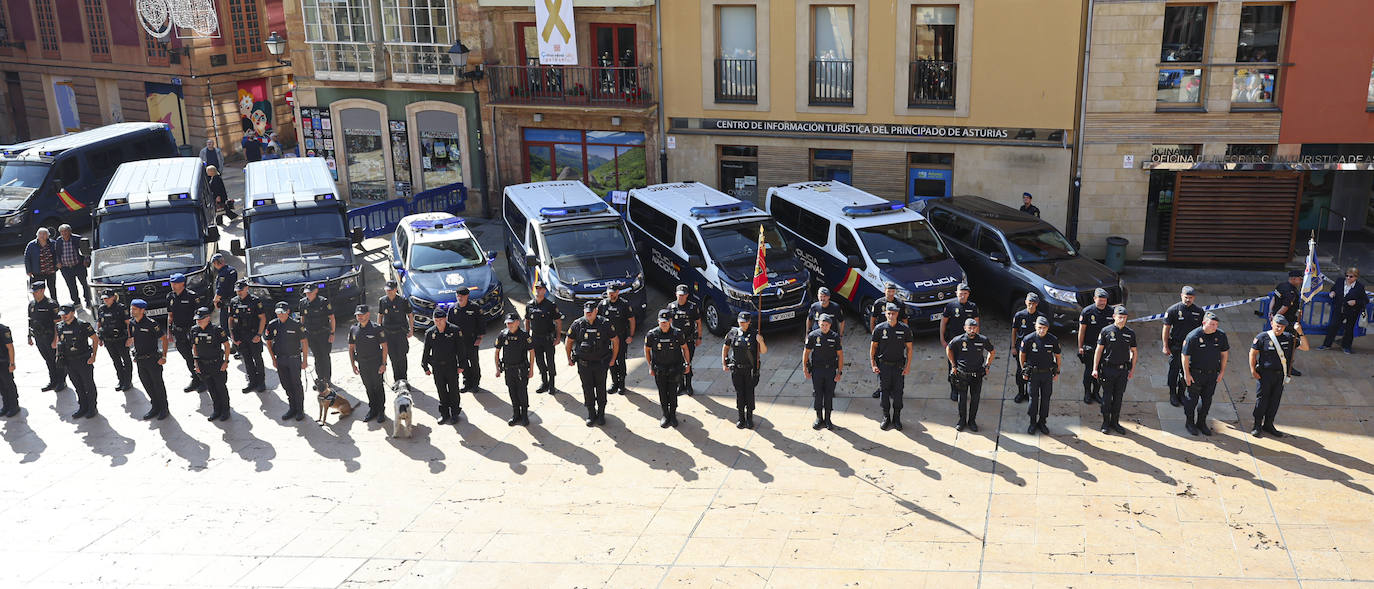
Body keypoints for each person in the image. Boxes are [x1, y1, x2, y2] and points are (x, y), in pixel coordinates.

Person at [1250, 314, 1308, 438]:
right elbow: (1253, 353)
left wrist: (1300, 332)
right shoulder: (1262, 337)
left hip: (1280, 375)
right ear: (1272, 324)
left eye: (1282, 327)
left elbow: (1305, 347)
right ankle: (1257, 425)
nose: (1279, 329)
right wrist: (1252, 370)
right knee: (1262, 400)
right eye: (1277, 326)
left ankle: (1269, 424)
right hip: (1265, 374)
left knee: (1275, 401)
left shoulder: (1288, 338)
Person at [566, 301, 617, 427]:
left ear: (596, 311)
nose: (588, 314)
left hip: (601, 364)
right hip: (584, 365)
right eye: (586, 312)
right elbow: (569, 341)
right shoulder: (578, 324)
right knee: (587, 389)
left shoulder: (604, 323)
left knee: (600, 388)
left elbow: (615, 340)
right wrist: (568, 358)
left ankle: (601, 414)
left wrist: (613, 359)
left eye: (591, 312)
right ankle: (591, 413)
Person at [1181, 312, 1229, 436]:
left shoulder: (1221, 335)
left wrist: (1222, 372)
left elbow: (1224, 354)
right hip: (1196, 374)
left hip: (1212, 375)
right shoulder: (1193, 336)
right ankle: (1190, 423)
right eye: (1212, 324)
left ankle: (1201, 423)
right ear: (1204, 323)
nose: (1215, 327)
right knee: (1192, 401)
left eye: (1216, 325)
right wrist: (1187, 374)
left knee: (1207, 401)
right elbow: (1185, 356)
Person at [1092, 306, 1137, 435]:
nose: (1122, 320)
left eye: (1124, 318)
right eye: (1120, 317)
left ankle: (1115, 422)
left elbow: (1134, 352)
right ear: (1114, 317)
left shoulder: (1130, 333)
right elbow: (1099, 350)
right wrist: (1095, 368)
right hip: (1108, 369)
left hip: (1122, 371)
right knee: (1106, 398)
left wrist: (1132, 369)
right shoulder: (1106, 331)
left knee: (1118, 398)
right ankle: (1105, 422)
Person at [870, 303, 914, 431]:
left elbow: (909, 349)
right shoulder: (879, 329)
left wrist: (908, 366)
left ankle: (897, 417)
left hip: (898, 366)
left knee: (898, 393)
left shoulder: (904, 329)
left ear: (897, 314)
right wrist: (873, 364)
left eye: (893, 313)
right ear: (885, 314)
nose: (891, 315)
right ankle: (886, 417)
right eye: (888, 313)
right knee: (884, 393)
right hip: (883, 366)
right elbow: (873, 348)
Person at [947, 318, 994, 432]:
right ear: (965, 328)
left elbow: (992, 351)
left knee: (975, 398)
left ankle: (972, 421)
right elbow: (949, 348)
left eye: (974, 328)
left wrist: (987, 365)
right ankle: (962, 420)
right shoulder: (958, 340)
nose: (972, 330)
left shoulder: (982, 339)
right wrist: (953, 365)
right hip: (962, 374)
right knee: (962, 399)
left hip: (977, 375)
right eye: (970, 328)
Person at [645, 310, 690, 428]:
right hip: (659, 369)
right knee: (662, 393)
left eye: (666, 322)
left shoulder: (677, 333)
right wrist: (650, 366)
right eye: (661, 322)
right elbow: (647, 350)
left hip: (674, 368)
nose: (664, 324)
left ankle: (673, 415)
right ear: (658, 321)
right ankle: (665, 415)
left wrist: (687, 363)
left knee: (673, 393)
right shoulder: (652, 335)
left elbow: (685, 348)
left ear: (670, 321)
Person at [264, 302, 308, 421]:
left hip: (294, 359)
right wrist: (273, 359)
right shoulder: (272, 325)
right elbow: (268, 342)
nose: (280, 315)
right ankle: (292, 408)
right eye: (278, 313)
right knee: (286, 385)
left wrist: (305, 360)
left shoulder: (296, 324)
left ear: (288, 312)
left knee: (296, 385)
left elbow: (304, 342)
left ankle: (300, 410)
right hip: (281, 359)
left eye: (282, 312)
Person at [421, 307, 466, 424]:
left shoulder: (454, 330)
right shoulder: (430, 333)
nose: (438, 322)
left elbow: (461, 349)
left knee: (453, 391)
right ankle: (444, 414)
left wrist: (462, 365)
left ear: (445, 319)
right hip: (437, 367)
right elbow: (426, 351)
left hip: (451, 366)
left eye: (440, 320)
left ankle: (455, 413)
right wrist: (425, 366)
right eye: (436, 320)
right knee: (441, 390)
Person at [1161, 285, 1204, 407]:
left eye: (1190, 297)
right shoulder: (1173, 310)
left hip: (1192, 348)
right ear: (1181, 296)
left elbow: (1202, 329)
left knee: (1187, 371)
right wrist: (1165, 345)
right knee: (1174, 371)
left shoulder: (1199, 311)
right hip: (1177, 346)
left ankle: (1181, 393)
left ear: (1194, 298)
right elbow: (1166, 328)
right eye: (1186, 297)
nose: (1188, 300)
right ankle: (1172, 394)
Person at [722, 311, 765, 429]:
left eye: (745, 322)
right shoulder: (733, 333)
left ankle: (749, 418)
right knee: (739, 394)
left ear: (749, 322)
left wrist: (761, 341)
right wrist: (724, 363)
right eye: (741, 322)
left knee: (749, 394)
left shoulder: (755, 334)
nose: (742, 324)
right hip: (736, 369)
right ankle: (741, 418)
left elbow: (763, 351)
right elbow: (725, 347)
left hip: (750, 370)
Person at [127, 299, 169, 420]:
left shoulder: (151, 324)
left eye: (134, 309)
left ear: (142, 310)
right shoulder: (132, 323)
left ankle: (164, 408)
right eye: (131, 308)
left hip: (153, 359)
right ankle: (155, 407)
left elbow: (164, 339)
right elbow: (136, 338)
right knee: (147, 384)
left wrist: (164, 356)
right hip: (140, 360)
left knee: (158, 385)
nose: (132, 311)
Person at [1019, 316, 1061, 435]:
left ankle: (1042, 422)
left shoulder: (1052, 339)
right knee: (1033, 399)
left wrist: (1057, 371)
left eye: (1044, 328)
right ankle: (1032, 423)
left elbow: (1058, 356)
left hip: (1047, 374)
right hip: (1033, 374)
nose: (1041, 330)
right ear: (1035, 327)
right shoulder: (1028, 339)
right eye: (1039, 328)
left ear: (1048, 328)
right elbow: (1022, 355)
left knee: (1046, 399)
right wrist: (1024, 370)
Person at [56, 304, 99, 419]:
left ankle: (92, 407)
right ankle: (83, 407)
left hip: (83, 360)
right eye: (62, 314)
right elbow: (59, 342)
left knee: (88, 385)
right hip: (69, 361)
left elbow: (95, 339)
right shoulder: (59, 326)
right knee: (78, 385)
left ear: (73, 313)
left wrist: (93, 356)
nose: (64, 316)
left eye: (66, 314)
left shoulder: (83, 325)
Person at [190, 307, 232, 421]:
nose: (198, 321)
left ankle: (225, 410)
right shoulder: (194, 330)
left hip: (217, 364)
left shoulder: (216, 330)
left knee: (220, 388)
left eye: (201, 319)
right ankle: (216, 410)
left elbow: (227, 345)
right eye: (197, 319)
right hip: (203, 365)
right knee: (211, 388)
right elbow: (195, 347)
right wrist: (196, 364)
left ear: (208, 318)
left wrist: (226, 361)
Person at [349, 305, 389, 423]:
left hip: (376, 363)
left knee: (378, 387)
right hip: (362, 363)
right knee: (368, 387)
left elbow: (384, 346)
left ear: (368, 314)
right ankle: (373, 409)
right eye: (358, 315)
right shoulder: (354, 329)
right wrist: (353, 365)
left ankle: (381, 411)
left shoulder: (377, 328)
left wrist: (384, 364)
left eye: (362, 314)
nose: (360, 317)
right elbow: (351, 348)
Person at [869, 282, 909, 398]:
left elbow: (905, 320)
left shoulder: (900, 304)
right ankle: (881, 387)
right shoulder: (878, 303)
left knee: (896, 362)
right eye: (888, 291)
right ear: (884, 290)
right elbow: (873, 319)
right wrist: (873, 334)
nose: (890, 293)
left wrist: (905, 336)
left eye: (892, 291)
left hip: (896, 337)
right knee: (880, 363)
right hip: (881, 338)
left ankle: (894, 388)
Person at [940, 283, 979, 402]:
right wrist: (942, 338)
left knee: (966, 365)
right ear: (956, 293)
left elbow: (977, 323)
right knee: (953, 365)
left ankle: (964, 388)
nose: (962, 296)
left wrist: (977, 340)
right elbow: (943, 322)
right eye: (960, 293)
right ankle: (954, 389)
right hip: (953, 341)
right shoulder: (951, 306)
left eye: (965, 294)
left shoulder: (972, 306)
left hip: (968, 342)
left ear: (968, 294)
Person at [494, 312, 534, 426]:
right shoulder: (503, 334)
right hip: (508, 369)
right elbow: (497, 351)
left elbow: (532, 352)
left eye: (511, 323)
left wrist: (531, 369)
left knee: (522, 392)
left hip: (521, 369)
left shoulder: (524, 336)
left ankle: (525, 414)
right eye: (507, 323)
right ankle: (516, 414)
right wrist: (497, 368)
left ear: (517, 322)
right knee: (512, 392)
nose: (509, 325)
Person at [804, 314, 843, 430]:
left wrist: (839, 372)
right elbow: (806, 353)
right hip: (817, 370)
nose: (824, 327)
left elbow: (840, 355)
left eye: (826, 325)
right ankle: (818, 418)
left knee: (829, 395)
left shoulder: (835, 337)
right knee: (818, 394)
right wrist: (805, 369)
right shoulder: (813, 335)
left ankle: (828, 419)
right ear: (819, 324)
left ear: (830, 325)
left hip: (830, 370)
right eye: (822, 325)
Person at [166, 273, 204, 392]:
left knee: (198, 356)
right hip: (179, 332)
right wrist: (169, 332)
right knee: (187, 357)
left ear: (182, 283)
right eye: (172, 283)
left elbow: (200, 315)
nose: (173, 285)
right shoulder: (170, 297)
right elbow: (170, 315)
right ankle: (195, 378)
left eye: (175, 283)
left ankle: (204, 380)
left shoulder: (192, 296)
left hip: (191, 330)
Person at [228, 280, 267, 393]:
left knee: (257, 359)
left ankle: (261, 382)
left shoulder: (255, 301)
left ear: (247, 288)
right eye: (237, 291)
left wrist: (259, 334)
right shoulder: (233, 301)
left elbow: (262, 318)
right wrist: (232, 336)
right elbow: (230, 319)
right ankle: (252, 382)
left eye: (241, 290)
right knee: (247, 359)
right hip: (240, 335)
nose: (239, 292)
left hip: (253, 334)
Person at [526, 282, 563, 393]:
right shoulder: (530, 305)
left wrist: (558, 337)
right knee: (540, 362)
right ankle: (544, 382)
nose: (538, 290)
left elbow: (558, 322)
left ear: (544, 291)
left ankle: (552, 384)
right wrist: (527, 336)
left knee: (550, 362)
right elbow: (527, 321)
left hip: (548, 338)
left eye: (541, 288)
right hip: (535, 338)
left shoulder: (550, 305)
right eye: (537, 288)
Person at [28, 281, 65, 392]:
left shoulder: (51, 304)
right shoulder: (32, 304)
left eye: (36, 291)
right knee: (48, 360)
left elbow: (57, 323)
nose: (33, 294)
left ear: (42, 290)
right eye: (33, 292)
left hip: (50, 337)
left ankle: (61, 381)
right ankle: (53, 381)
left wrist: (55, 339)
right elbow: (30, 321)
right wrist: (29, 336)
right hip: (39, 337)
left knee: (56, 360)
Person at [1319, 268, 1367, 353]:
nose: (1348, 278)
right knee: (1333, 326)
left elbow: (1365, 300)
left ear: (1356, 277)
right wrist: (1332, 292)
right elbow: (1333, 288)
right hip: (1338, 309)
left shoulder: (1359, 287)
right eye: (1347, 275)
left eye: (1351, 276)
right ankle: (1326, 344)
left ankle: (1346, 346)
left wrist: (1355, 302)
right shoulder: (1340, 281)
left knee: (1349, 329)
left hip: (1352, 311)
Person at [298, 284, 335, 393]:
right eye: (306, 292)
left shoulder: (323, 302)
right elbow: (302, 318)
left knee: (324, 356)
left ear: (316, 291)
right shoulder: (303, 303)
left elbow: (332, 318)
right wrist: (301, 332)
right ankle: (320, 380)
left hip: (323, 334)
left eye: (310, 292)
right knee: (317, 357)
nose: (308, 294)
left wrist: (332, 333)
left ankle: (327, 380)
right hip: (310, 334)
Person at [1010, 293, 1046, 404]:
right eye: (1029, 303)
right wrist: (1013, 347)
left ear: (1037, 304)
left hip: (1034, 348)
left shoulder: (1040, 317)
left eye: (1033, 304)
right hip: (1021, 347)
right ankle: (1021, 392)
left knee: (1033, 371)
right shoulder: (1019, 315)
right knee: (1020, 370)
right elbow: (1014, 331)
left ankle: (1031, 393)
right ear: (1026, 302)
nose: (1031, 306)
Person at [601, 285, 637, 395]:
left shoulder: (624, 304)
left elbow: (631, 320)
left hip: (621, 337)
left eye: (613, 293)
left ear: (618, 292)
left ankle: (622, 384)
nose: (611, 295)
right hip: (607, 339)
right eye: (609, 293)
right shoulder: (603, 304)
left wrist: (631, 335)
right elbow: (597, 319)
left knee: (620, 361)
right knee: (610, 360)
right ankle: (614, 383)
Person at [1077, 288, 1111, 405]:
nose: (1102, 302)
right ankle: (1087, 393)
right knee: (1089, 371)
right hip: (1090, 347)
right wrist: (1080, 347)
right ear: (1094, 299)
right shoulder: (1087, 312)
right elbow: (1081, 331)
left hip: (1105, 348)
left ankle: (1096, 393)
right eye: (1100, 300)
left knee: (1100, 372)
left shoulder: (1111, 312)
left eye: (1104, 300)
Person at [95, 289, 133, 392]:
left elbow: (128, 323)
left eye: (107, 298)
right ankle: (121, 380)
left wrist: (130, 337)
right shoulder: (101, 309)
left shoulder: (121, 308)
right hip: (108, 339)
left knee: (126, 359)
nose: (105, 300)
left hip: (121, 338)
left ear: (113, 297)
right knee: (116, 360)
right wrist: (99, 337)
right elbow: (99, 323)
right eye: (104, 299)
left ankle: (128, 381)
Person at [1268, 270, 1303, 376]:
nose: (1301, 281)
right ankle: (1287, 367)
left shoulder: (1281, 286)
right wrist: (1277, 318)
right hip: (1286, 322)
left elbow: (1273, 299)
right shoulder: (1290, 292)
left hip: (1277, 319)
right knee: (1291, 344)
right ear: (1293, 279)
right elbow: (1285, 307)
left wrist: (1271, 312)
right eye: (1299, 279)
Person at [377, 280, 413, 383]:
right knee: (393, 357)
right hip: (388, 334)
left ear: (396, 290)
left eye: (391, 290)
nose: (388, 292)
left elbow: (410, 315)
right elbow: (380, 315)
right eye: (387, 290)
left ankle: (404, 379)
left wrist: (411, 330)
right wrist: (379, 330)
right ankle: (397, 380)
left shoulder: (403, 300)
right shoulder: (382, 301)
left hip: (400, 333)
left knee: (402, 357)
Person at [664, 285, 697, 396]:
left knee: (688, 363)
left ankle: (689, 385)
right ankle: (680, 385)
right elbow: (667, 322)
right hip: (676, 341)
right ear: (676, 294)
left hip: (689, 340)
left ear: (687, 295)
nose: (681, 297)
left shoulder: (692, 307)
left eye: (683, 295)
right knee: (677, 363)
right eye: (679, 295)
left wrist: (700, 337)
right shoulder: (671, 306)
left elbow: (699, 322)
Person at [450, 288, 484, 392]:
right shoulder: (453, 309)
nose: (460, 298)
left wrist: (479, 338)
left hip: (472, 340)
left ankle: (475, 383)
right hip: (459, 342)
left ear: (467, 296)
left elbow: (481, 324)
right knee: (462, 363)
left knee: (474, 363)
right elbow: (449, 325)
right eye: (458, 296)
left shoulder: (475, 308)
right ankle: (466, 382)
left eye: (462, 296)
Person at [54, 224, 89, 307]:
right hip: (66, 268)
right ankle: (76, 301)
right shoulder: (59, 241)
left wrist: (86, 260)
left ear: (70, 231)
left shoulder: (77, 239)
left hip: (79, 265)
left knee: (84, 284)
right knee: (71, 286)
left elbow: (86, 251)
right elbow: (57, 254)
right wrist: (58, 262)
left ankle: (88, 300)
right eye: (62, 232)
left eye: (65, 231)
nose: (64, 234)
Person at [23, 228, 58, 301]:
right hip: (37, 272)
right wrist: (28, 270)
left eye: (44, 234)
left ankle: (54, 303)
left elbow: (57, 255)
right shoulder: (31, 245)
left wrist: (57, 265)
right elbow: (27, 258)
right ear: (37, 235)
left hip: (50, 271)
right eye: (40, 234)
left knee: (52, 288)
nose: (42, 236)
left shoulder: (53, 243)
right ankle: (40, 303)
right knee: (38, 290)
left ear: (48, 236)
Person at [211, 253, 238, 335]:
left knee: (225, 325)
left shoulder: (223, 274)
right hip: (234, 299)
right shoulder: (232, 270)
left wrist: (215, 300)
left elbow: (221, 289)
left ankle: (233, 343)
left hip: (226, 302)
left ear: (216, 263)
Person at [0, 314, 18, 418]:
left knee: (8, 384)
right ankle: (6, 405)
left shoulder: (3, 330)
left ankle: (14, 405)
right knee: (1, 386)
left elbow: (10, 347)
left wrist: (12, 363)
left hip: (3, 362)